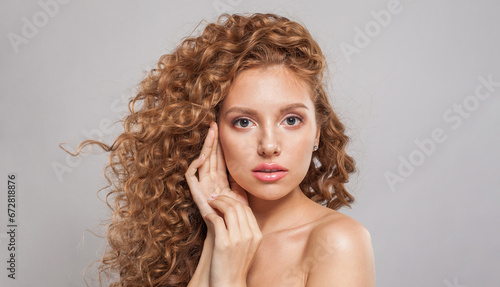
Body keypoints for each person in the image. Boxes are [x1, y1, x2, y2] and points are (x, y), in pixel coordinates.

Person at [73, 13, 375, 287]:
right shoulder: (200, 239)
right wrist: (216, 238)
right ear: (211, 133)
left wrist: (229, 278)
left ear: (317, 132)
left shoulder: (337, 243)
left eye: (291, 120)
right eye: (244, 121)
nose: (269, 145)